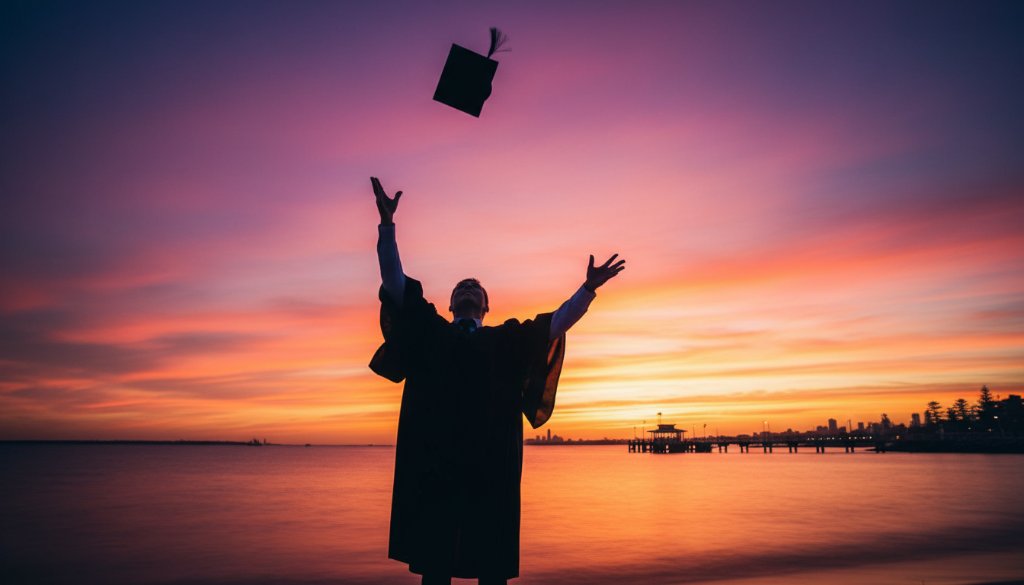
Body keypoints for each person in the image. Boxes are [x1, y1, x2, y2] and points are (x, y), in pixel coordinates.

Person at [368, 177, 624, 585]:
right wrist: (386, 227)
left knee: (492, 568)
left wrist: (588, 289)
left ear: (485, 306)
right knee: (435, 570)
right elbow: (395, 283)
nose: (468, 289)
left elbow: (553, 325)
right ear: (451, 304)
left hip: (491, 470)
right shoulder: (432, 332)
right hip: (438, 468)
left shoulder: (507, 340)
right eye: (461, 288)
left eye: (475, 288)